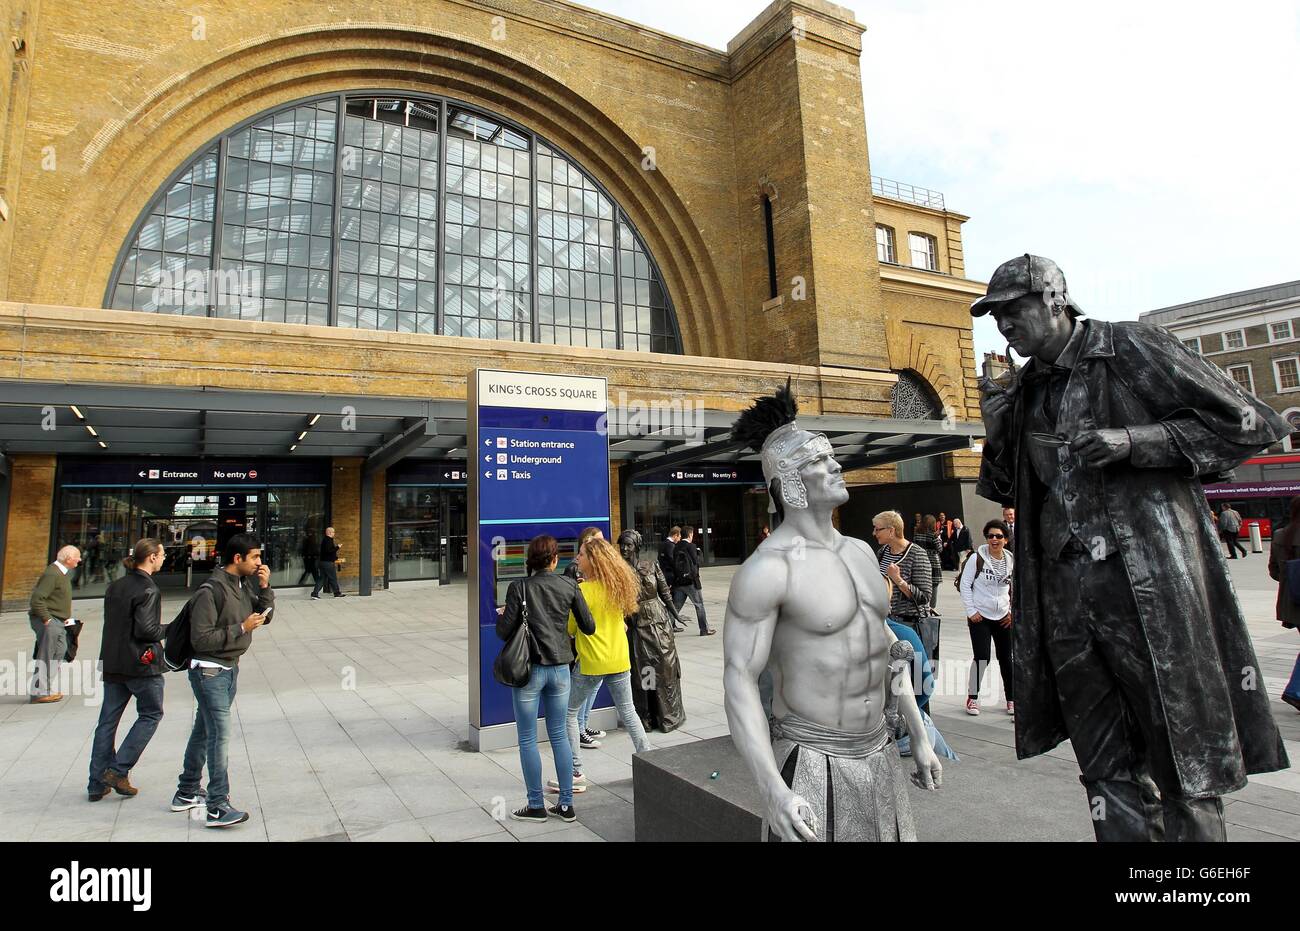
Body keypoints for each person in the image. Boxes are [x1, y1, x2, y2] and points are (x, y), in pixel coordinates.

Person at [975, 253, 1289, 842]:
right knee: (1102, 765)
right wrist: (997, 429)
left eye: (1013, 311)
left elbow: (1253, 423)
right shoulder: (1022, 390)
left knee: (1184, 755)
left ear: (1053, 300)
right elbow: (1003, 489)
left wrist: (1135, 441)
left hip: (1149, 588)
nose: (1004, 327)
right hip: (1066, 598)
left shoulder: (1131, 348)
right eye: (996, 318)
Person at [723, 382, 941, 842]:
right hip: (809, 758)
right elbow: (739, 681)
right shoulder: (768, 569)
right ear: (791, 483)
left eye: (831, 455)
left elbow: (887, 647)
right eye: (819, 461)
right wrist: (772, 790)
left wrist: (919, 732)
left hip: (880, 750)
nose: (837, 464)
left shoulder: (863, 552)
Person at [174, 532, 274, 828]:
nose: (259, 562)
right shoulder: (210, 591)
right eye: (255, 557)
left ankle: (187, 791)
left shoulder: (241, 586)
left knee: (203, 732)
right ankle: (217, 805)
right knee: (219, 735)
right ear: (237, 558)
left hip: (229, 668)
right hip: (209, 671)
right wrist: (240, 628)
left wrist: (265, 588)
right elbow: (201, 639)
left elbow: (264, 616)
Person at [496, 534, 595, 823]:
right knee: (559, 735)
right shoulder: (569, 585)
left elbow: (503, 632)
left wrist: (504, 615)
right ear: (555, 559)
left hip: (529, 671)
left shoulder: (519, 587)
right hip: (561, 670)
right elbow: (588, 626)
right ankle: (565, 805)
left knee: (527, 739)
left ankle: (536, 805)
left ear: (530, 560)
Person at [556, 538, 654, 797]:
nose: (577, 559)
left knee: (569, 714)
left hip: (592, 663)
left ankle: (575, 773)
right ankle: (650, 763)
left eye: (581, 555)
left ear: (593, 561)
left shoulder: (582, 592)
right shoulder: (617, 588)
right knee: (629, 712)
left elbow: (570, 629)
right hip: (620, 659)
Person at [88, 539, 169, 802]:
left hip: (113, 661)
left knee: (107, 721)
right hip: (140, 664)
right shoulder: (148, 589)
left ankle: (96, 782)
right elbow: (146, 630)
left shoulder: (116, 585)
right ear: (153, 557)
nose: (165, 558)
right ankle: (118, 769)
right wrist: (171, 629)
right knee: (151, 714)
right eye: (163, 554)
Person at [618, 529, 686, 732]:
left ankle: (668, 715)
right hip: (636, 624)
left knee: (665, 666)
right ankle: (647, 717)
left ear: (637, 546)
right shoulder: (620, 572)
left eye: (629, 545)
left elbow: (664, 591)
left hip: (659, 620)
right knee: (643, 670)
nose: (624, 548)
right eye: (622, 544)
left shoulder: (650, 564)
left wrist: (676, 614)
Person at [960, 519, 1014, 717]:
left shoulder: (1010, 560)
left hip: (1003, 617)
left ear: (1005, 540)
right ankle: (972, 698)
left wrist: (1012, 613)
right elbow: (965, 585)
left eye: (999, 536)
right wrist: (971, 611)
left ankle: (1012, 699)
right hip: (980, 617)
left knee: (1006, 659)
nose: (994, 539)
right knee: (981, 657)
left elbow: (1015, 589)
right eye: (990, 536)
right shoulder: (977, 558)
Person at [564, 527, 607, 749]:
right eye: (596, 540)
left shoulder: (601, 571)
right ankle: (579, 729)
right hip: (584, 640)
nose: (601, 544)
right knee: (583, 688)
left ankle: (584, 723)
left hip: (598, 636)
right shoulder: (574, 569)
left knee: (593, 687)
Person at [872, 510, 935, 663]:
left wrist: (898, 580)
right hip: (885, 623)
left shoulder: (917, 554)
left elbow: (925, 597)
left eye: (877, 529)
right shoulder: (883, 552)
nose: (874, 533)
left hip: (908, 624)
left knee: (914, 676)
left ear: (891, 530)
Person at [28, 545, 81, 704]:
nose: (79, 559)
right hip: (50, 620)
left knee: (60, 650)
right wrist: (47, 620)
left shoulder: (61, 573)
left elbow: (55, 598)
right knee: (46, 655)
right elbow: (37, 600)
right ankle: (39, 692)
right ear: (69, 559)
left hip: (58, 620)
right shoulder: (52, 573)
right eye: (77, 557)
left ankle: (46, 689)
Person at [1266, 497, 1300, 713]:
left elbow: (1274, 571)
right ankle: (1295, 691)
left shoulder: (1280, 535)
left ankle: (1296, 690)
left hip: (1293, 602)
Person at [671, 525, 715, 635]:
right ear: (690, 535)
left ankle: (665, 628)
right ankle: (704, 629)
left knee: (676, 607)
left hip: (679, 581)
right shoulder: (691, 546)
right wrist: (699, 552)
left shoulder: (676, 546)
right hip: (691, 582)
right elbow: (697, 562)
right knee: (699, 605)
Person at [914, 514, 944, 613]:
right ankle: (932, 607)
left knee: (921, 583)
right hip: (932, 562)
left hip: (920, 560)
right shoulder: (933, 534)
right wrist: (938, 539)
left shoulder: (917, 533)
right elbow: (940, 549)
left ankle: (922, 605)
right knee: (934, 584)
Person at [311, 526, 345, 598]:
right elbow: (329, 551)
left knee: (322, 578)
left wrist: (335, 558)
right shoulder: (328, 540)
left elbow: (329, 552)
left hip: (323, 562)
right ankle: (337, 593)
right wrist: (337, 547)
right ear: (329, 532)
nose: (334, 533)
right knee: (333, 578)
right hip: (328, 563)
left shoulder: (325, 540)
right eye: (333, 532)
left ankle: (315, 593)